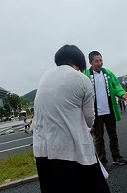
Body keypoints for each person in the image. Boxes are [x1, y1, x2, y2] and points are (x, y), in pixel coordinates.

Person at [33, 45, 110, 193]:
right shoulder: (82, 79)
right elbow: (89, 119)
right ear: (80, 61)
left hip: (42, 148)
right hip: (70, 149)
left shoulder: (45, 76)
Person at [84, 50, 127, 171]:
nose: (99, 63)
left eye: (101, 60)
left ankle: (116, 156)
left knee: (113, 134)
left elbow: (116, 86)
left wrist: (122, 94)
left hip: (109, 110)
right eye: (96, 61)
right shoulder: (86, 76)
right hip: (95, 113)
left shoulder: (107, 73)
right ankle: (102, 160)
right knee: (99, 137)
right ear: (90, 62)